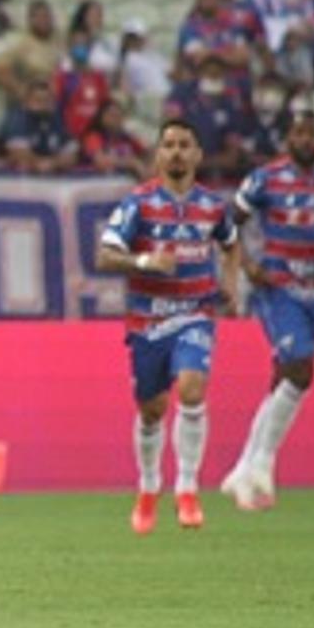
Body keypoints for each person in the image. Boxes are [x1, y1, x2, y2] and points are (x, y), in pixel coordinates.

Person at [99, 120, 241, 535]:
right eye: (169, 145)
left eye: (184, 144)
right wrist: (145, 261)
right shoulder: (138, 204)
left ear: (197, 154)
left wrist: (230, 284)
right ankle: (148, 487)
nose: (176, 152)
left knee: (194, 389)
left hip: (195, 312)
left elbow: (231, 243)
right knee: (151, 410)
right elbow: (107, 256)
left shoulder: (213, 206)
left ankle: (188, 488)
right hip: (148, 320)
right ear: (158, 155)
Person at [223, 113, 314, 510]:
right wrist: (248, 267)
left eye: (312, 133)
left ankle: (241, 469)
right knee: (301, 367)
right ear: (288, 138)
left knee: (286, 377)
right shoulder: (266, 179)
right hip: (276, 288)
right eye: (298, 132)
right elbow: (228, 222)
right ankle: (265, 464)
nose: (305, 139)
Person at [0, 79, 79, 174]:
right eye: (38, 100)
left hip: (49, 178)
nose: (44, 104)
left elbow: (72, 155)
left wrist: (53, 163)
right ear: (26, 102)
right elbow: (19, 154)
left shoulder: (58, 118)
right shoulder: (18, 118)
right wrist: (38, 162)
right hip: (10, 179)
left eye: (48, 100)